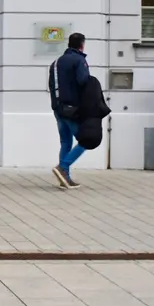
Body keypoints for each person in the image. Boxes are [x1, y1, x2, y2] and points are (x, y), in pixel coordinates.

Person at [48, 33, 90, 189]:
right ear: (82, 45)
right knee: (86, 140)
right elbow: (84, 82)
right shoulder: (79, 60)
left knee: (65, 142)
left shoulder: (56, 63)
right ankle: (63, 167)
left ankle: (64, 178)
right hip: (72, 109)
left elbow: (51, 85)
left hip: (58, 108)